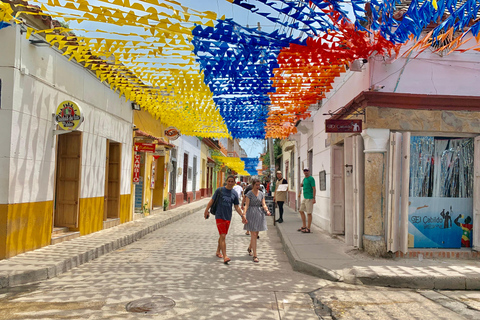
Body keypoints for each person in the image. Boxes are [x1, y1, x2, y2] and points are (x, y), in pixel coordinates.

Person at [204, 175, 247, 264]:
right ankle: (225, 256)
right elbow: (212, 201)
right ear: (226, 181)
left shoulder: (234, 193)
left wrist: (242, 216)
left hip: (228, 216)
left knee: (222, 235)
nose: (230, 183)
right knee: (223, 235)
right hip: (219, 216)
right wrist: (206, 210)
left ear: (234, 183)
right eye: (229, 181)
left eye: (232, 181)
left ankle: (217, 251)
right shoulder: (219, 190)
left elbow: (236, 206)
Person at [243, 178, 271, 262]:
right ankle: (255, 255)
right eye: (256, 185)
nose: (258, 186)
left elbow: (263, 204)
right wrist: (244, 214)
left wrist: (267, 210)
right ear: (253, 185)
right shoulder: (249, 194)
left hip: (259, 214)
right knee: (254, 234)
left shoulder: (261, 194)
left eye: (259, 185)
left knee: (256, 233)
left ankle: (249, 248)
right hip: (251, 213)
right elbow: (247, 205)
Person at [298, 168, 316, 233]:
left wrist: (314, 198)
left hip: (309, 197)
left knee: (309, 213)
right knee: (301, 210)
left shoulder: (311, 179)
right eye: (304, 171)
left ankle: (308, 228)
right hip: (305, 197)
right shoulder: (304, 179)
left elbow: (314, 188)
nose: (305, 172)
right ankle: (304, 226)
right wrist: (302, 185)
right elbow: (305, 186)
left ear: (309, 171)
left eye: (307, 171)